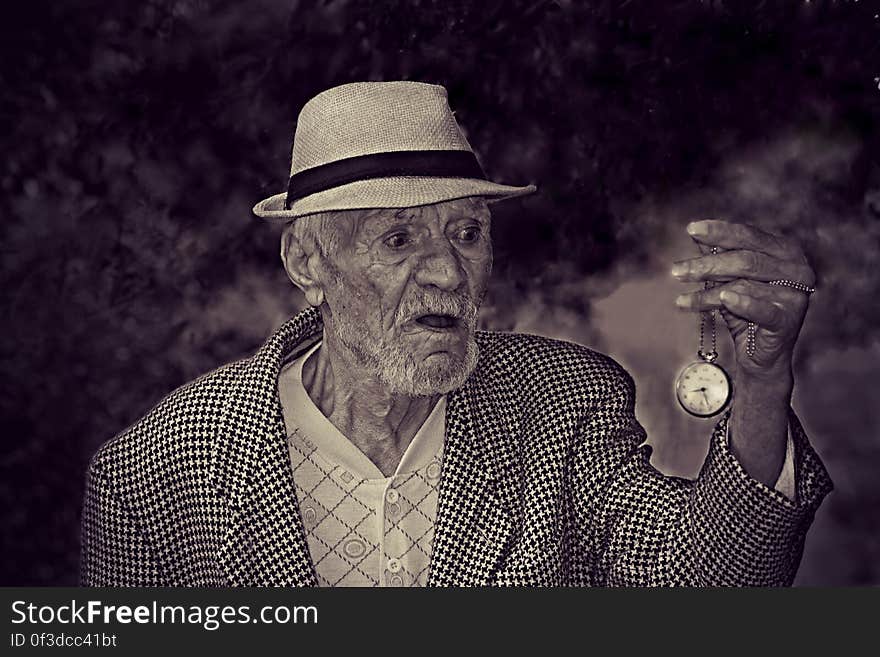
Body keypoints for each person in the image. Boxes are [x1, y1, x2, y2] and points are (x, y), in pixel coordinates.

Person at [80, 81, 832, 587]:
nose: (449, 272)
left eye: (467, 232)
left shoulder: (561, 403)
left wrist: (762, 384)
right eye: (400, 240)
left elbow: (700, 582)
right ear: (307, 260)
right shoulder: (152, 474)